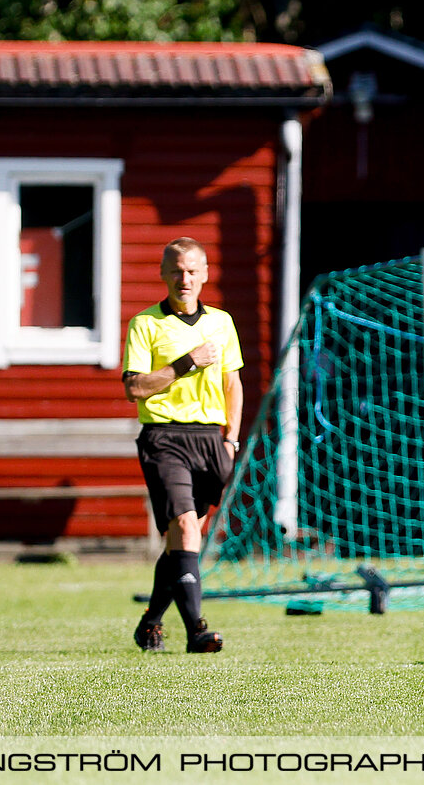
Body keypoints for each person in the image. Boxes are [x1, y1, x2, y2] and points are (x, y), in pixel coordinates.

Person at [124, 238, 243, 654]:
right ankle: (197, 631)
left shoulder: (222, 323)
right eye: (176, 270)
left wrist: (231, 438)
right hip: (165, 436)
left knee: (185, 542)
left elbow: (233, 384)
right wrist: (187, 361)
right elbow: (136, 387)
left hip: (212, 440)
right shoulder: (145, 324)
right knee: (186, 528)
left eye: (192, 270)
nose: (184, 278)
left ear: (206, 274)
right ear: (163, 274)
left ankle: (151, 623)